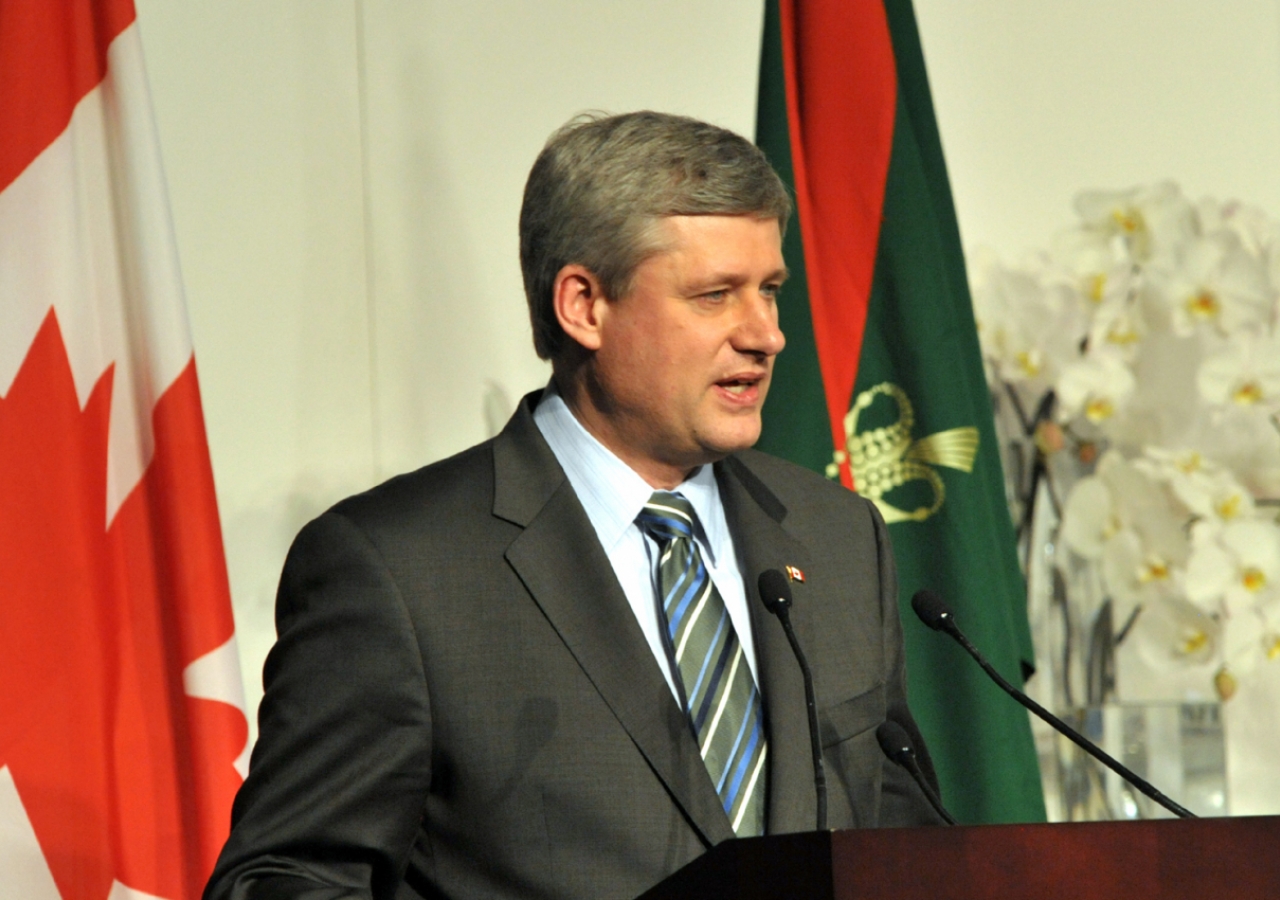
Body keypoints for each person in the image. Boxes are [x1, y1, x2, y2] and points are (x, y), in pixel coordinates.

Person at [204, 111, 942, 900]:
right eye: (716, 295)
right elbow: (284, 880)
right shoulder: (400, 571)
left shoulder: (834, 535)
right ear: (583, 305)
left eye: (769, 291)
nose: (766, 335)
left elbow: (904, 847)